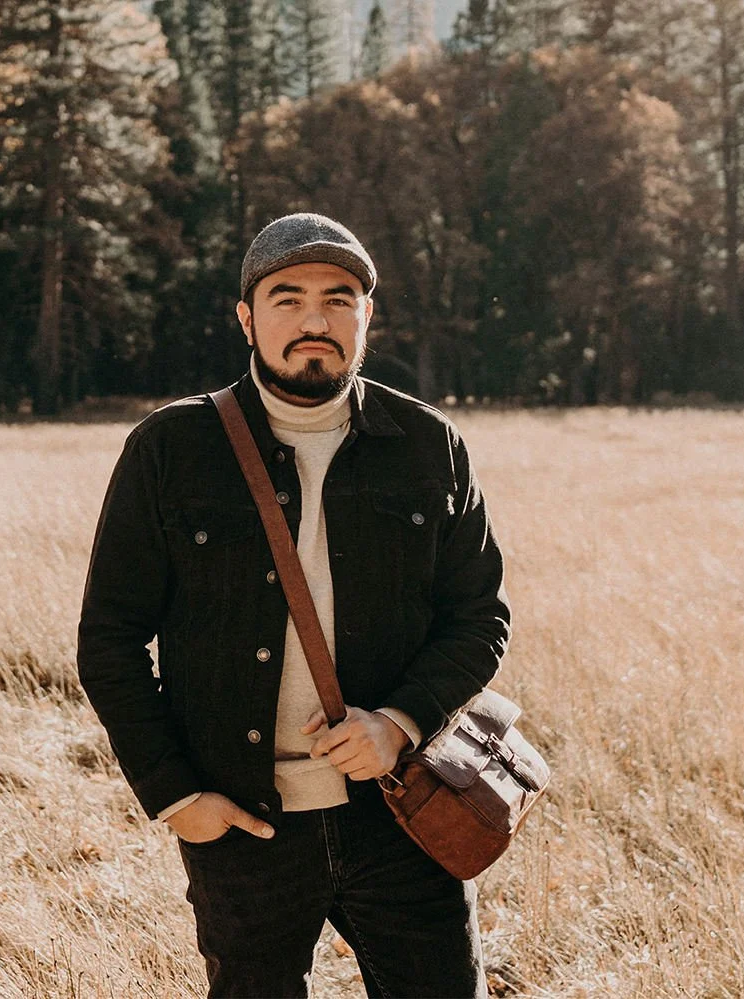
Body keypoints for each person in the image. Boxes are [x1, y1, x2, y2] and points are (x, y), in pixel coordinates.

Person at [77, 213, 511, 999]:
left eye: (338, 299)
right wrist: (177, 796)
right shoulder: (170, 448)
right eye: (288, 297)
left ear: (366, 316)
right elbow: (108, 640)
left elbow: (481, 617)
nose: (315, 320)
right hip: (243, 824)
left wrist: (399, 723)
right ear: (246, 316)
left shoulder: (428, 443)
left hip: (402, 815)